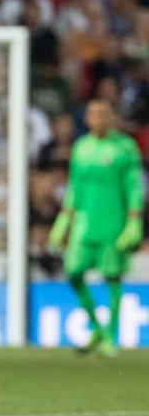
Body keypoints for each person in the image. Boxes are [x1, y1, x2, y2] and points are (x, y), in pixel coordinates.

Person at [49, 99, 144, 357]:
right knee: (73, 273)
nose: (97, 118)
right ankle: (97, 328)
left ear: (112, 117)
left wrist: (135, 220)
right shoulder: (81, 147)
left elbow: (134, 186)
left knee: (113, 278)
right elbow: (75, 188)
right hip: (84, 225)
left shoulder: (125, 147)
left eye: (103, 113)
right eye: (93, 114)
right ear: (87, 119)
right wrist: (64, 220)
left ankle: (109, 337)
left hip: (113, 224)